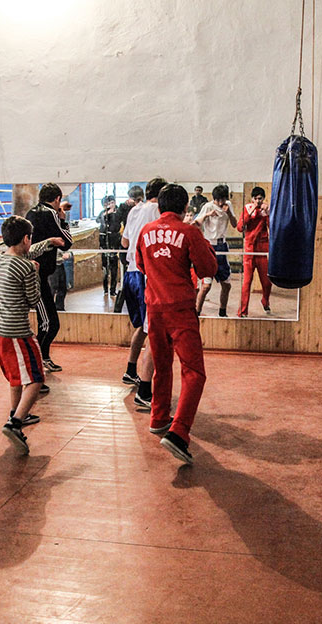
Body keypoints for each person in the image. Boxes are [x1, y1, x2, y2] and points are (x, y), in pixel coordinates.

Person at [136, 183, 218, 464]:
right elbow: (208, 269)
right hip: (180, 308)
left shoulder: (146, 231)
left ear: (159, 206)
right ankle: (179, 433)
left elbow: (141, 265)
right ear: (185, 208)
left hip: (154, 308)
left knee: (162, 365)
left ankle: (158, 417)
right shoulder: (188, 231)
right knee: (194, 372)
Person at [0, 215, 65, 453]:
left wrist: (49, 242)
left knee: (16, 378)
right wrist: (35, 273)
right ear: (25, 238)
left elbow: (26, 253)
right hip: (18, 332)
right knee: (35, 379)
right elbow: (34, 299)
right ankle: (14, 424)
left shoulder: (0, 261)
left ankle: (17, 413)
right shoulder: (25, 266)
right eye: (30, 240)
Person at [120, 178, 165, 409]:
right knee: (153, 329)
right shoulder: (158, 210)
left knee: (143, 326)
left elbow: (124, 240)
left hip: (130, 273)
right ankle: (146, 388)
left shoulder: (134, 210)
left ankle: (130, 369)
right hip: (145, 274)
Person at [26, 183, 74, 373]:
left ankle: (42, 358)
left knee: (46, 321)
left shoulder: (31, 213)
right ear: (56, 199)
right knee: (49, 323)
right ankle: (36, 363)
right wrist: (63, 219)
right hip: (37, 276)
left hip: (37, 274)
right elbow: (66, 243)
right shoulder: (50, 214)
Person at [194, 184, 237, 317]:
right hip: (209, 246)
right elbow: (196, 223)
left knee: (226, 285)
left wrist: (228, 211)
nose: (220, 203)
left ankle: (222, 312)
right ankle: (197, 312)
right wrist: (207, 214)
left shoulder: (228, 205)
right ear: (214, 199)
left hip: (222, 245)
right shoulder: (207, 206)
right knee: (206, 286)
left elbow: (235, 224)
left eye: (222, 200)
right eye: (217, 200)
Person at [237, 186, 272, 317]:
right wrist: (250, 214)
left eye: (260, 198)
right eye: (256, 198)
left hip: (262, 250)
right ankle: (242, 311)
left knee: (267, 282)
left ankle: (265, 300)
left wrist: (268, 214)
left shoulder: (265, 210)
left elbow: (272, 227)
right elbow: (240, 228)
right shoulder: (247, 209)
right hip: (249, 250)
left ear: (263, 199)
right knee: (246, 282)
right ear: (252, 199)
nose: (258, 201)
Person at [113, 185, 144, 314]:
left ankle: (118, 309)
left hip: (134, 252)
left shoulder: (140, 210)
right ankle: (118, 308)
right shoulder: (125, 208)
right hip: (130, 251)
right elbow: (115, 227)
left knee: (128, 281)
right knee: (127, 281)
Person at [98, 195, 120, 297]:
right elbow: (99, 221)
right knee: (105, 270)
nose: (110, 205)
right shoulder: (103, 214)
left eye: (112, 202)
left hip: (114, 244)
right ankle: (105, 289)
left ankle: (113, 290)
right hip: (104, 245)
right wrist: (107, 213)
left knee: (114, 269)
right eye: (107, 204)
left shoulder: (118, 212)